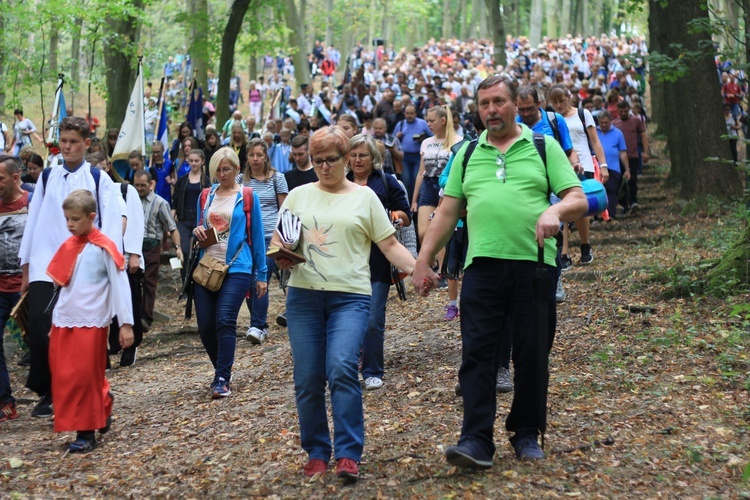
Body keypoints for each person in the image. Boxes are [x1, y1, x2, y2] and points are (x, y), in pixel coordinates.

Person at [412, 76, 587, 466]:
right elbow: (447, 212)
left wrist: (555, 210)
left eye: (498, 102)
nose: (490, 110)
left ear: (515, 105)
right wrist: (424, 258)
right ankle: (475, 439)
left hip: (535, 266)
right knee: (477, 355)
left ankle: (526, 433)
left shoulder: (543, 146)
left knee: (532, 353)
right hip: (482, 267)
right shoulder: (469, 153)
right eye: (484, 103)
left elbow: (576, 197)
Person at [270, 126, 416, 482]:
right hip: (303, 298)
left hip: (350, 298)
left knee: (341, 368)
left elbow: (389, 245)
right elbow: (279, 240)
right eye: (317, 161)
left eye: (331, 160)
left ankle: (349, 453)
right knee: (307, 378)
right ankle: (317, 451)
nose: (323, 167)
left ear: (347, 158)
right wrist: (282, 256)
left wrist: (420, 269)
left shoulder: (364, 198)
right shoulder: (298, 196)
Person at [19, 116, 124, 418]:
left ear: (86, 143)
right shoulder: (47, 177)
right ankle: (49, 388)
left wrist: (109, 261)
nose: (67, 147)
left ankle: (86, 388)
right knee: (40, 329)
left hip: (83, 266)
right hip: (45, 263)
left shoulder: (97, 178)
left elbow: (111, 223)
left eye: (74, 142)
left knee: (79, 331)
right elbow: (34, 220)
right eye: (63, 141)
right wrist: (27, 267)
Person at [46, 189, 134, 453]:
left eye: (75, 219)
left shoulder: (104, 247)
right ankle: (103, 402)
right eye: (67, 220)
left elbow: (120, 285)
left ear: (91, 217)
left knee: (84, 376)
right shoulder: (69, 245)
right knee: (64, 375)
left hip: (93, 321)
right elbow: (62, 287)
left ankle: (86, 433)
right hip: (64, 320)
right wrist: (54, 322)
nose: (70, 225)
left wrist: (126, 323)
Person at [192, 148, 267, 398]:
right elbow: (200, 227)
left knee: (225, 319)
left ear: (236, 169)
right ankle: (222, 368)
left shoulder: (247, 196)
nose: (222, 174)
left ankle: (222, 378)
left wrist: (262, 274)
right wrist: (197, 232)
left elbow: (256, 237)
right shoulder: (205, 195)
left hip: (238, 266)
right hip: (208, 266)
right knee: (205, 325)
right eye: (218, 169)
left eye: (227, 169)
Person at [346, 134, 411, 391]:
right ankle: (349, 366)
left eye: (363, 155)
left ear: (373, 158)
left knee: (373, 319)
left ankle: (373, 370)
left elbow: (407, 214)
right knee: (349, 318)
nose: (358, 159)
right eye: (353, 154)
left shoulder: (386, 182)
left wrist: (395, 217)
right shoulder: (340, 182)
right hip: (347, 260)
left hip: (379, 259)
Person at [548, 84, 608, 267]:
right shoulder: (552, 119)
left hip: (584, 165)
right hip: (560, 167)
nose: (559, 105)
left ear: (569, 97)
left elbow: (595, 141)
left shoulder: (583, 114)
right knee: (561, 208)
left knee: (582, 209)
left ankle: (585, 245)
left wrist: (603, 165)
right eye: (555, 102)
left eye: (562, 100)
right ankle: (564, 252)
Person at [242, 138, 288, 343]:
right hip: (247, 237)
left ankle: (257, 325)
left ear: (266, 156)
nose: (255, 159)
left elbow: (284, 210)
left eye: (259, 155)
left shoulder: (277, 178)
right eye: (252, 155)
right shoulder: (240, 180)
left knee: (261, 278)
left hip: (271, 236)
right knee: (247, 280)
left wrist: (282, 239)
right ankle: (260, 323)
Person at [412, 106, 461, 289]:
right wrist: (414, 199)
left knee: (441, 228)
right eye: (427, 120)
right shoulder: (426, 143)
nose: (428, 124)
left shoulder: (458, 141)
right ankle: (430, 262)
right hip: (428, 185)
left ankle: (442, 271)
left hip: (447, 187)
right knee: (423, 231)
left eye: (431, 120)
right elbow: (420, 172)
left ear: (442, 120)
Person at [134, 170, 182, 332]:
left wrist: (178, 248)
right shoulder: (131, 200)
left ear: (151, 184)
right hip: (133, 246)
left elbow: (172, 227)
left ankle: (145, 318)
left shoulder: (160, 203)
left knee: (149, 281)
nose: (139, 188)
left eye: (143, 185)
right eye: (137, 185)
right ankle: (133, 316)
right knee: (133, 281)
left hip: (151, 246)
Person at [0, 155, 29, 423]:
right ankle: (5, 402)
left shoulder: (31, 203)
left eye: (0, 178)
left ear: (15, 177)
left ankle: (52, 392)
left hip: (27, 286)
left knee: (42, 341)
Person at [172, 150, 211, 290]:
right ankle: (186, 285)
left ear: (202, 162)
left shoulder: (206, 181)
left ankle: (199, 283)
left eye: (196, 161)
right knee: (185, 251)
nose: (194, 163)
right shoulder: (182, 180)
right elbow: (175, 201)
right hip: (183, 219)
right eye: (191, 160)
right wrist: (171, 221)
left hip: (199, 220)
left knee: (199, 252)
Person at [612, 100, 649, 214]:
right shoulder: (614, 123)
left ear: (629, 109)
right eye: (621, 111)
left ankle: (633, 202)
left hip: (632, 155)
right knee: (619, 182)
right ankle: (624, 203)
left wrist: (646, 151)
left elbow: (643, 135)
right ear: (617, 111)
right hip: (618, 157)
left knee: (632, 179)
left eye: (625, 110)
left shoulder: (636, 121)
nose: (623, 113)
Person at [394, 104, 432, 202]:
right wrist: (397, 136)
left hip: (418, 157)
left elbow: (432, 136)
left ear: (415, 114)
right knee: (406, 181)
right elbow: (392, 140)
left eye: (411, 113)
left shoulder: (423, 123)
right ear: (404, 113)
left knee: (416, 181)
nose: (409, 115)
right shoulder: (400, 124)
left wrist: (423, 139)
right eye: (407, 113)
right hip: (404, 157)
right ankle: (406, 202)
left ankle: (416, 204)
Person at [596, 110, 629, 220]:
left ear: (610, 121)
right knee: (597, 191)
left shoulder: (618, 133)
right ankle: (598, 215)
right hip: (597, 167)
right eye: (601, 123)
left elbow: (623, 152)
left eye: (606, 122)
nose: (604, 125)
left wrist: (627, 169)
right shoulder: (594, 132)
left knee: (612, 191)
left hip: (613, 167)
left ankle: (610, 215)